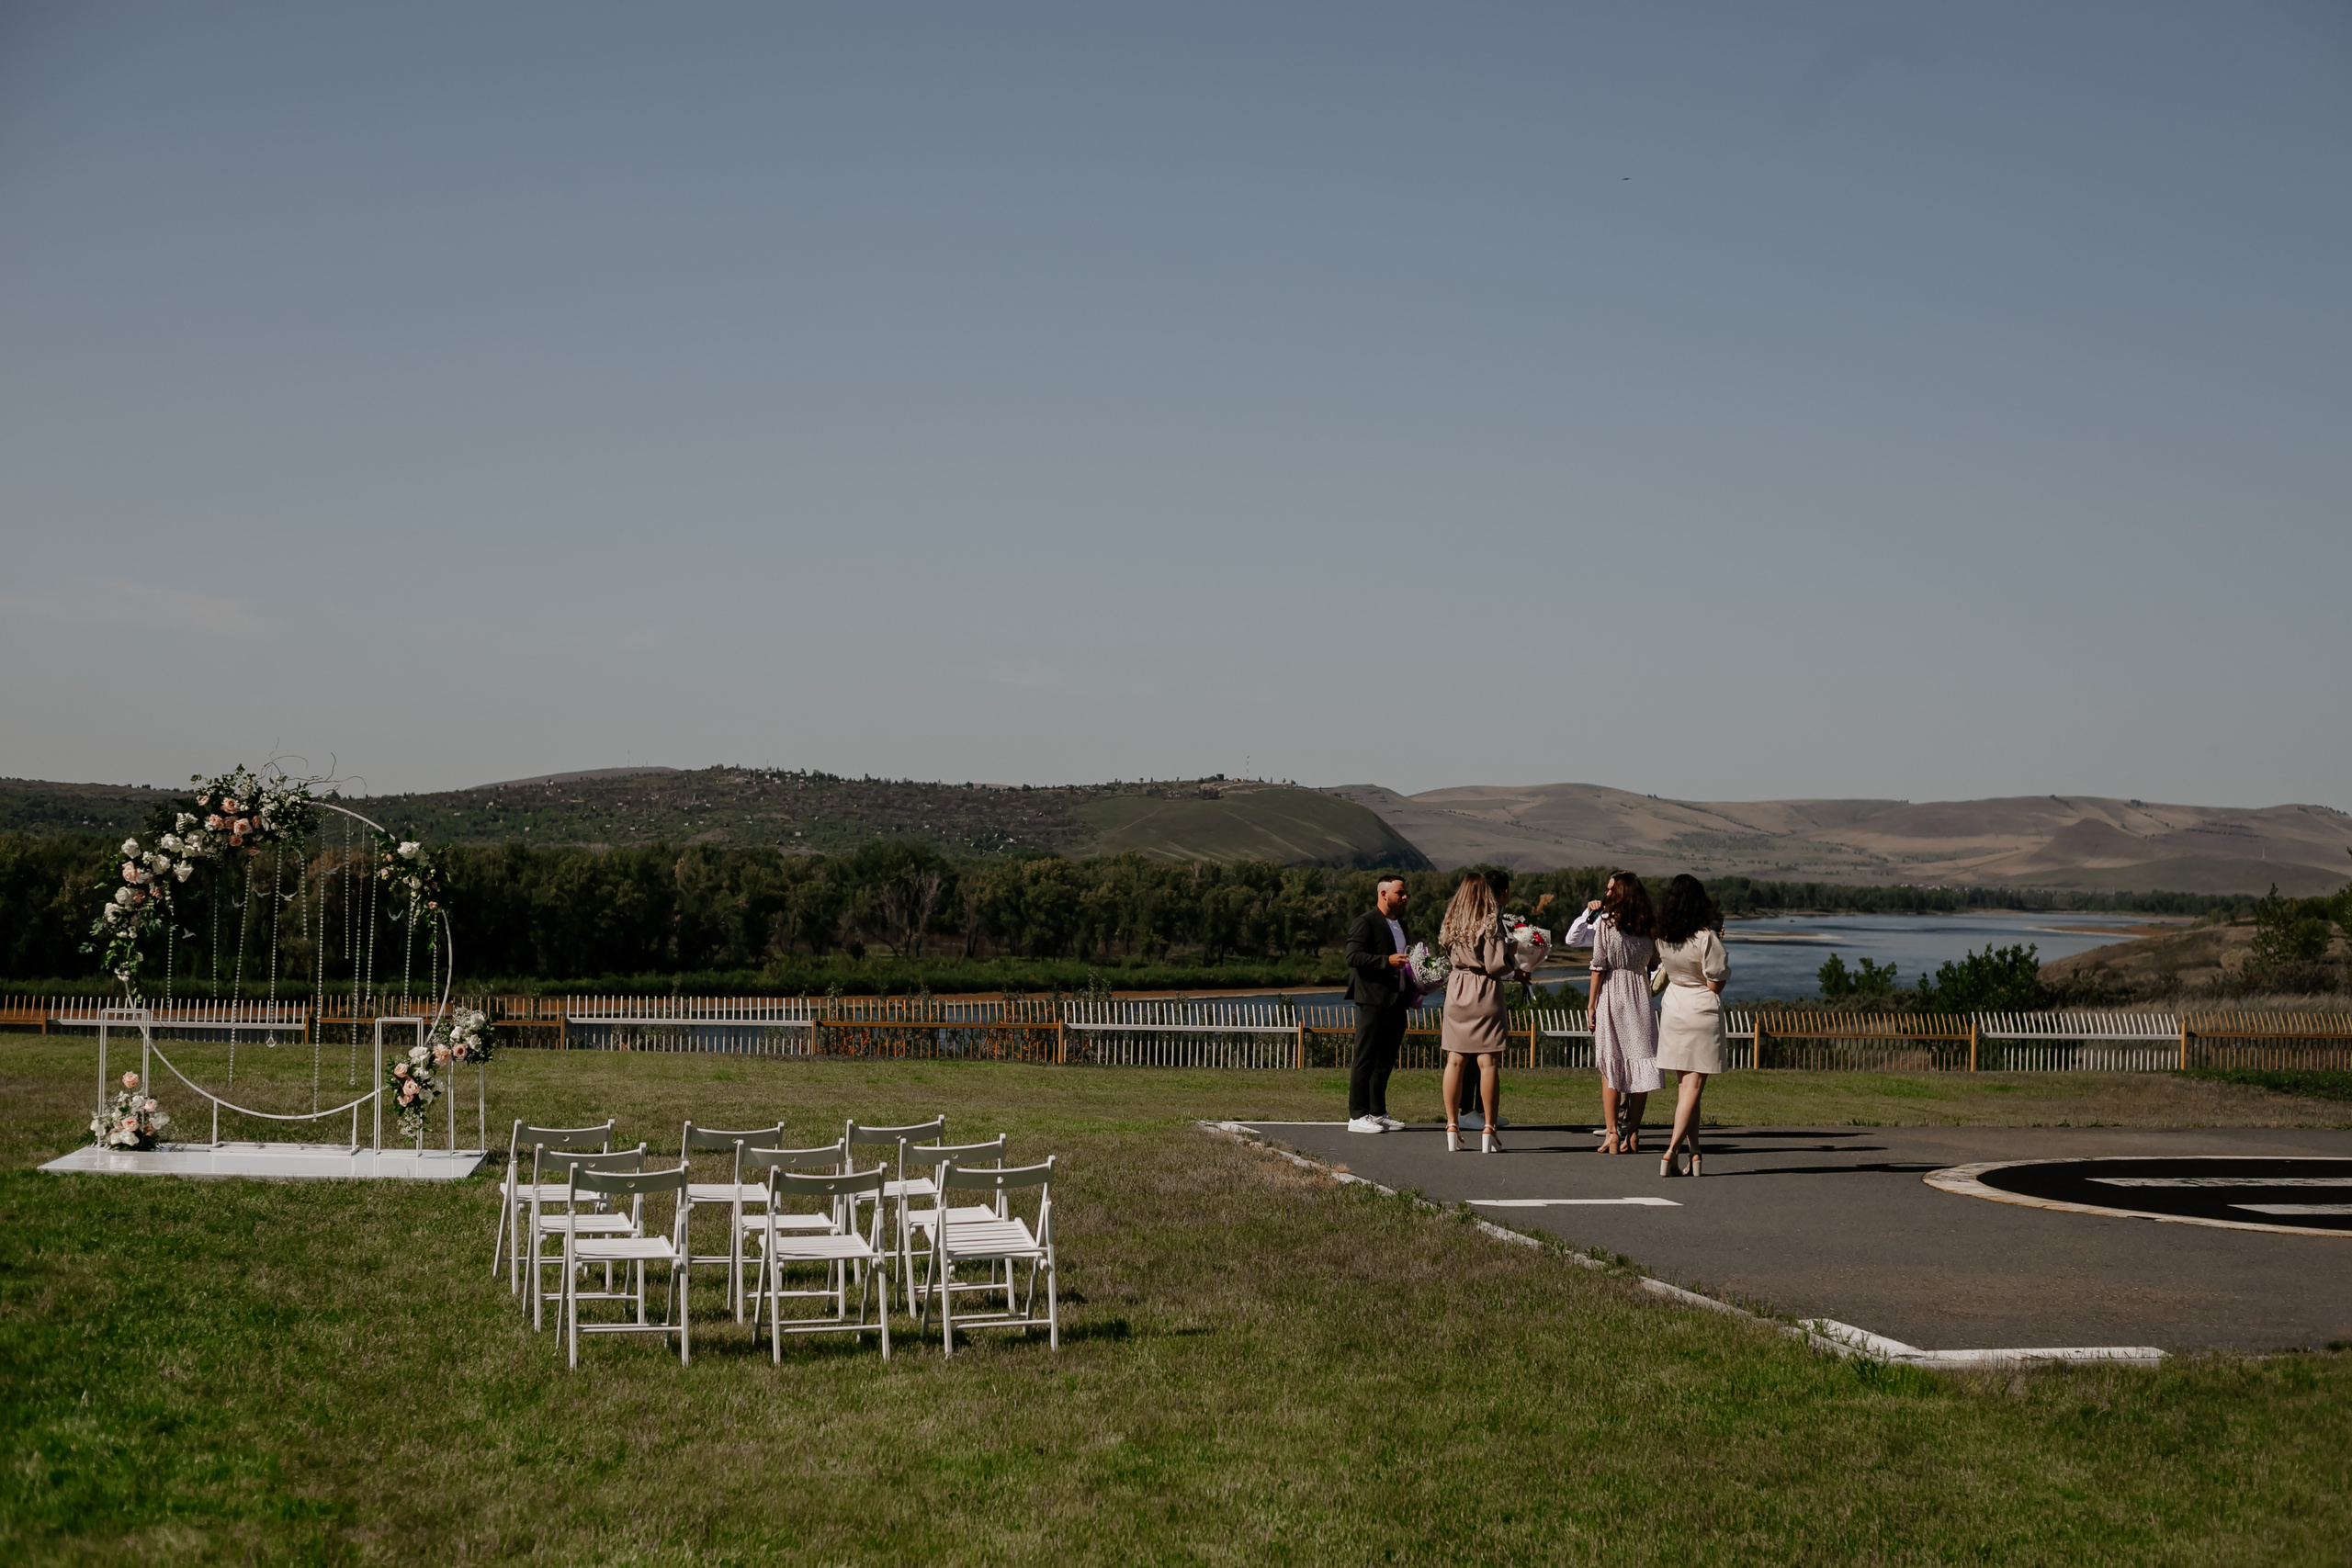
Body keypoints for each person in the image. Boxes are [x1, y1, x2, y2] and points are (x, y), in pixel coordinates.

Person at [1438, 872, 1529, 1153]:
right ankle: (1489, 1127)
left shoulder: (1452, 921)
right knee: (1487, 1062)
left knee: (1454, 1060)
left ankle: (1452, 1124)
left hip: (1457, 988)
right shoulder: (1490, 923)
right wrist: (1514, 964)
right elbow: (1493, 965)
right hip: (1484, 990)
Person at [1653, 874, 1729, 1178]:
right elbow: (1714, 983)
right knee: (1694, 1087)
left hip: (1673, 1007)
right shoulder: (1706, 937)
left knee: (1686, 1088)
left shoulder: (1663, 936)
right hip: (1700, 1009)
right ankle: (1670, 1150)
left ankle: (1695, 1153)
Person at [1583, 871, 1660, 1154]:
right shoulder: (1649, 926)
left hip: (1613, 993)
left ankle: (1612, 1132)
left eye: (1610, 890)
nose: (1606, 894)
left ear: (1621, 893)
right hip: (1640, 995)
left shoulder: (1606, 925)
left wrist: (1591, 1004)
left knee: (1611, 1065)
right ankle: (1635, 1132)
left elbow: (1598, 966)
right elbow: (1655, 964)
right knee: (1641, 1062)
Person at [1342, 875, 1415, 1134]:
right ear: (1383, 894)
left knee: (1385, 1059)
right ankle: (1357, 1115)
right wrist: (1387, 961)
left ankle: (1377, 1111)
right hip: (1371, 999)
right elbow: (1353, 956)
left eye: (1405, 893)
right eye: (1400, 893)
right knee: (1365, 1057)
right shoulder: (1366, 922)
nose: (1405, 897)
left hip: (1396, 1001)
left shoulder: (1402, 925)